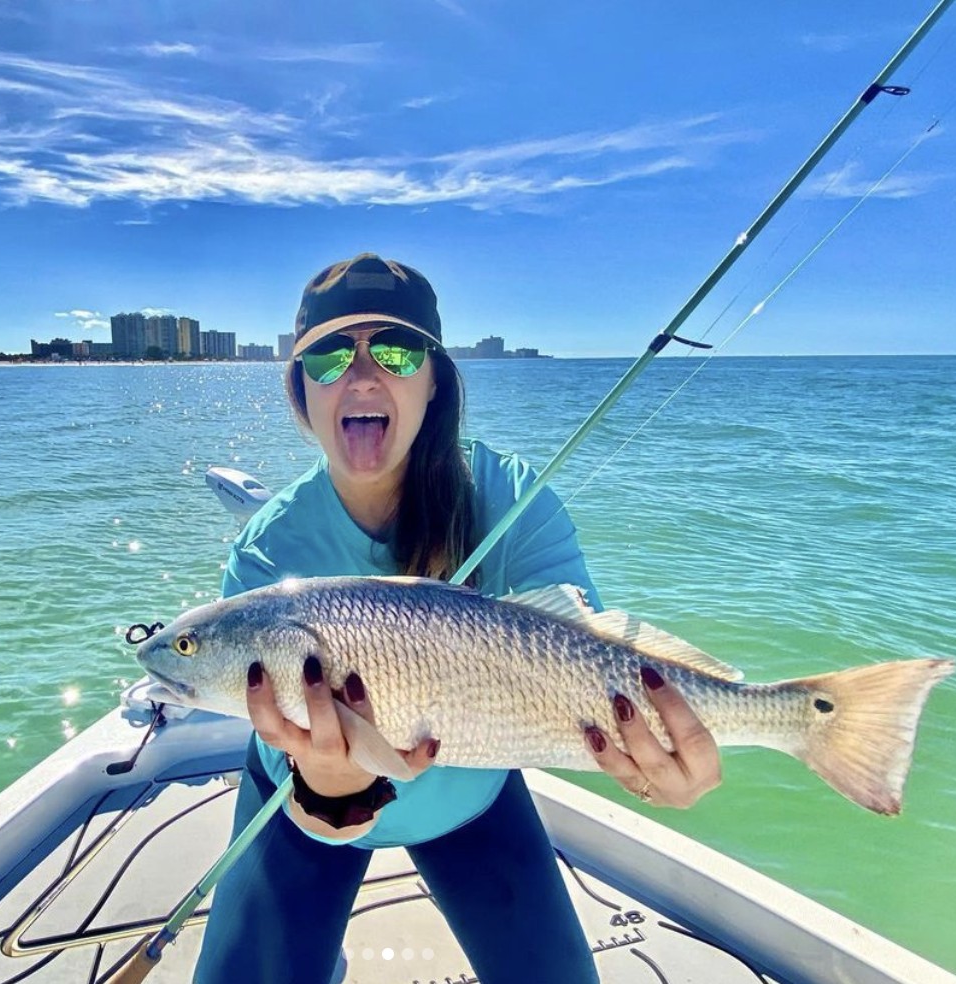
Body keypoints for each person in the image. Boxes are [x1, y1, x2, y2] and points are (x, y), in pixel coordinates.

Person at [193, 253, 721, 984]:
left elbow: (591, 656)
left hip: (469, 799)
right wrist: (329, 784)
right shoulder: (267, 554)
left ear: (435, 379)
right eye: (330, 355)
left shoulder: (507, 497)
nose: (364, 375)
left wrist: (658, 761)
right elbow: (292, 767)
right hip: (301, 809)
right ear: (300, 390)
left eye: (398, 349)